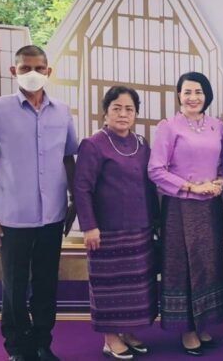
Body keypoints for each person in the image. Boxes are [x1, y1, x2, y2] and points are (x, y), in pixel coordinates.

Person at [0, 45, 78, 361]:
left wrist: (74, 202)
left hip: (53, 215)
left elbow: (69, 160)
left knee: (45, 285)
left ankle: (43, 343)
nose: (33, 74)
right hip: (12, 217)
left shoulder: (62, 111)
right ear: (13, 72)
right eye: (25, 68)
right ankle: (18, 348)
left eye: (39, 68)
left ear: (48, 72)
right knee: (14, 288)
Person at [74, 86, 159, 360]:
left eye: (129, 109)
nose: (123, 114)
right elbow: (81, 188)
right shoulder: (93, 143)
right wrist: (88, 226)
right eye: (117, 108)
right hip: (106, 230)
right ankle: (110, 338)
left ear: (136, 114)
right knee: (109, 287)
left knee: (137, 286)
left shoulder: (142, 143)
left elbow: (150, 185)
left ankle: (129, 332)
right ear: (106, 111)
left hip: (140, 227)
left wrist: (155, 221)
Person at [147, 72, 223, 356]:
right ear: (179, 95)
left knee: (207, 264)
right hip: (180, 207)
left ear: (207, 95)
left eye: (198, 92)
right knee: (183, 266)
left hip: (210, 207)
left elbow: (220, 163)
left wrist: (219, 181)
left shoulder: (216, 126)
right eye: (187, 92)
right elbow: (155, 170)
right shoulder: (169, 127)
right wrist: (192, 186)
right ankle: (187, 329)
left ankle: (203, 323)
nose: (193, 97)